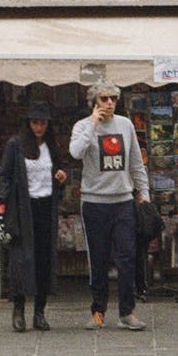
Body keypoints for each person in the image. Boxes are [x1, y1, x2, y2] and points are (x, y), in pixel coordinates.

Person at [69, 81, 149, 331]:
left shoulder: (125, 125)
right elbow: (75, 152)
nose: (110, 103)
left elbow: (136, 161)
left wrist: (143, 193)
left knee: (127, 257)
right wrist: (93, 124)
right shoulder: (83, 126)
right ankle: (98, 310)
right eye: (104, 98)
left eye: (113, 98)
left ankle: (127, 311)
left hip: (123, 200)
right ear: (94, 102)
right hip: (94, 202)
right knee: (99, 259)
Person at [0, 100, 67, 332]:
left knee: (44, 259)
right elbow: (5, 176)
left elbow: (60, 173)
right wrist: (2, 206)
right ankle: (18, 309)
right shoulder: (15, 146)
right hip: (22, 210)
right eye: (35, 122)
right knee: (21, 260)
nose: (39, 127)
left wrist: (61, 179)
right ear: (28, 123)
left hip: (46, 207)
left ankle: (39, 311)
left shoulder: (51, 146)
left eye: (43, 123)